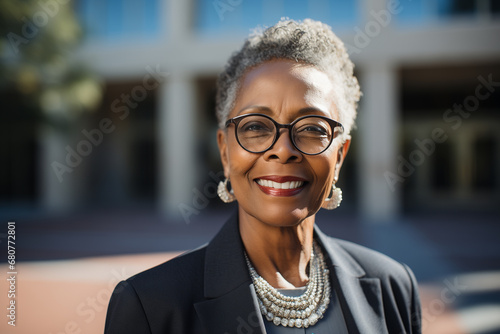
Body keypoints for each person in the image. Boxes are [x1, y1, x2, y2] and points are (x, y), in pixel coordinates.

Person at [104, 19, 421, 334]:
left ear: (339, 156)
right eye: (256, 126)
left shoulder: (394, 286)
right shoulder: (150, 306)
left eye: (312, 128)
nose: (283, 150)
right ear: (226, 153)